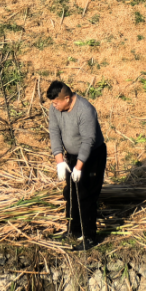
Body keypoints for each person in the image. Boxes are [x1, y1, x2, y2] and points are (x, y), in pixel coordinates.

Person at [47, 80, 107, 249]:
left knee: (86, 195)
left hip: (92, 156)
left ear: (67, 98)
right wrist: (60, 161)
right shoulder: (55, 108)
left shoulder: (85, 110)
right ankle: (73, 231)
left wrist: (79, 167)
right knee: (71, 193)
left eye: (56, 103)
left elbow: (88, 140)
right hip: (71, 156)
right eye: (53, 103)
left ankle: (89, 236)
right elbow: (54, 131)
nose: (54, 106)